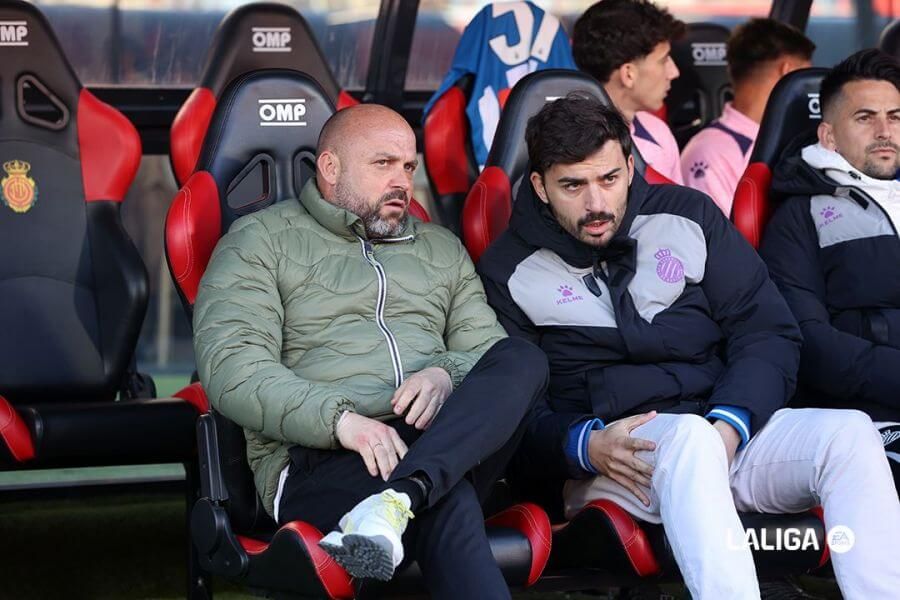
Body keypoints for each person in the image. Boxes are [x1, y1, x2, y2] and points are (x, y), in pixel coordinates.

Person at [478, 93, 900, 599]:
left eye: (610, 179)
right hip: (613, 457)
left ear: (631, 166)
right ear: (541, 187)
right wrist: (582, 444)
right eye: (574, 185)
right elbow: (510, 409)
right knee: (692, 442)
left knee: (850, 434)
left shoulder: (688, 215)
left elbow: (768, 329)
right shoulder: (507, 269)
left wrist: (733, 421)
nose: (597, 204)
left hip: (723, 431)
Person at [193, 104, 548, 597]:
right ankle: (406, 495)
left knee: (523, 359)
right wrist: (342, 422)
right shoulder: (259, 242)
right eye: (383, 164)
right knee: (448, 502)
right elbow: (232, 368)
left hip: (443, 440)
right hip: (324, 456)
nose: (401, 180)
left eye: (408, 167)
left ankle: (397, 499)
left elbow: (485, 351)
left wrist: (445, 374)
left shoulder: (440, 249)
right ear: (331, 168)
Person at [760, 49, 900, 485]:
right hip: (863, 416)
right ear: (829, 136)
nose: (884, 132)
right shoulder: (799, 215)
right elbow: (807, 341)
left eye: (895, 116)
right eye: (865, 117)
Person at [681, 18, 814, 215]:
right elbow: (720, 241)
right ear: (787, 71)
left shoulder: (795, 141)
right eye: (805, 75)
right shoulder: (710, 152)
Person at [572, 0, 685, 184]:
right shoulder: (565, 143)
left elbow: (680, 211)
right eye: (663, 60)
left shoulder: (658, 133)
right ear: (628, 74)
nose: (674, 72)